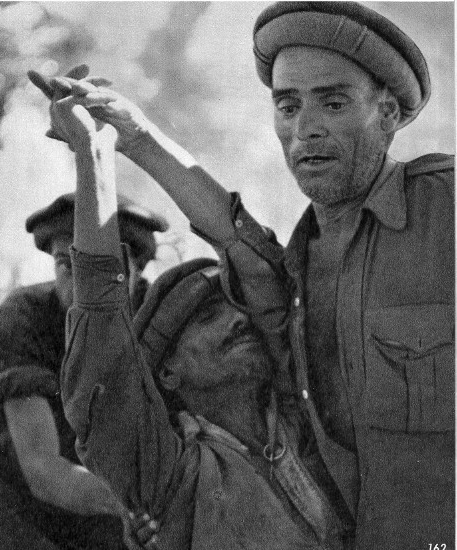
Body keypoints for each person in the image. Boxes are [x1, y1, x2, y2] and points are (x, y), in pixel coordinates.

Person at [31, 2, 454, 547]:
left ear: (388, 112)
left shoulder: (444, 204)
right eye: (287, 106)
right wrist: (119, 143)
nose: (306, 129)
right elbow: (232, 237)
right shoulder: (297, 280)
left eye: (333, 102)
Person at [39, 69, 358, 550]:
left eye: (233, 308)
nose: (238, 319)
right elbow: (102, 338)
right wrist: (92, 156)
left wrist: (140, 138)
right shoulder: (167, 473)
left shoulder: (308, 414)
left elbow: (249, 253)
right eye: (206, 317)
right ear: (167, 372)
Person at [0, 191, 166, 549]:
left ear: (136, 270)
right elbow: (42, 469)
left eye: (102, 268)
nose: (81, 286)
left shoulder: (161, 322)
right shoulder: (22, 319)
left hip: (91, 502)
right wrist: (134, 508)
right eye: (65, 264)